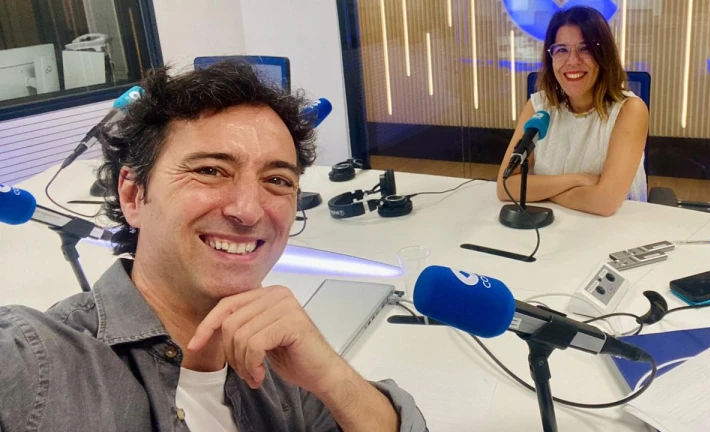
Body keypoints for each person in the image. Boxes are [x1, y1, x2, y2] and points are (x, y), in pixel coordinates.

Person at [0, 62, 426, 431]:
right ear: (133, 195)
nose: (248, 210)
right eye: (210, 170)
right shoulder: (39, 362)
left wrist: (333, 378)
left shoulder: (281, 362)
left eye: (277, 180)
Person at [497, 6, 649, 217]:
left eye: (585, 48)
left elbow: (604, 203)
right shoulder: (539, 106)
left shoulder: (630, 110)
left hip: (614, 228)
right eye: (561, 50)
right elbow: (506, 186)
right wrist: (576, 180)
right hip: (549, 226)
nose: (572, 61)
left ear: (604, 55)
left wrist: (543, 192)